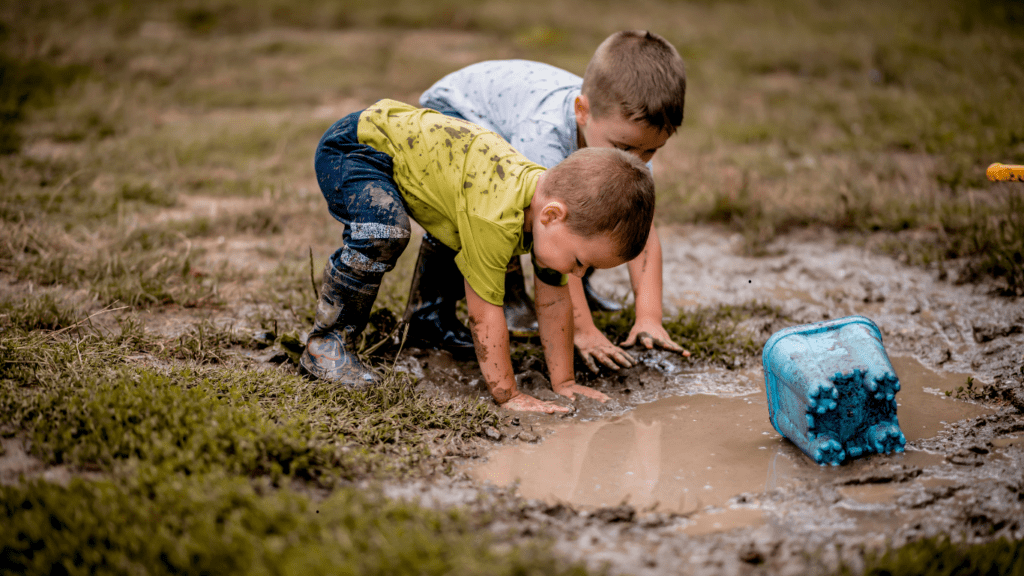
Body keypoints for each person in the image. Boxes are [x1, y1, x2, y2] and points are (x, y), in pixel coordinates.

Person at [301, 99, 656, 414]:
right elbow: (484, 314)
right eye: (581, 261)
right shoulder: (495, 217)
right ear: (551, 215)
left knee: (458, 232)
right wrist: (508, 394)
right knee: (385, 230)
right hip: (358, 148)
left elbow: (553, 302)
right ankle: (326, 343)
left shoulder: (545, 210)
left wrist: (563, 384)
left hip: (413, 161)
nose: (579, 273)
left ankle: (427, 323)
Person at [409, 30, 690, 372]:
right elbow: (558, 233)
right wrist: (583, 332)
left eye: (651, 150)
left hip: (508, 115)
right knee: (494, 210)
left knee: (601, 214)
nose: (639, 160)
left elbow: (641, 230)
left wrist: (649, 317)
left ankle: (579, 291)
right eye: (626, 148)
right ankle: (454, 308)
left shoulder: (627, 143)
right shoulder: (545, 137)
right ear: (582, 112)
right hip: (458, 113)